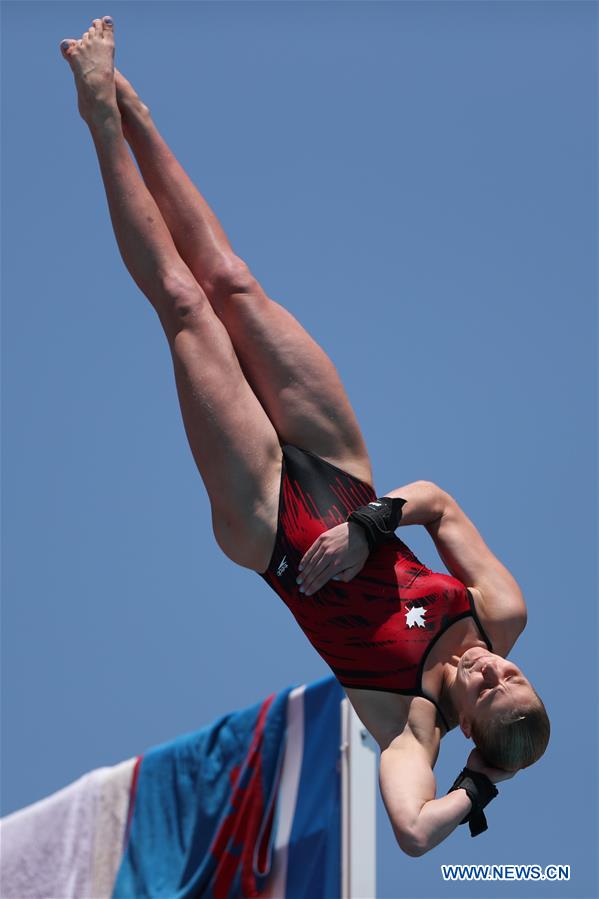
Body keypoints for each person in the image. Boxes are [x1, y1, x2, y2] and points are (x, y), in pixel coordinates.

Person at [60, 17, 549, 856]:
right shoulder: (500, 613)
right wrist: (367, 528)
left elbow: (410, 831)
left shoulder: (409, 726)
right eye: (510, 674)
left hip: (268, 532)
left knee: (184, 306)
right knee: (232, 281)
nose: (491, 668)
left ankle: (98, 112)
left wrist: (476, 787)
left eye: (488, 690)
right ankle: (136, 106)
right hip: (348, 483)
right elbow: (435, 500)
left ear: (468, 726)